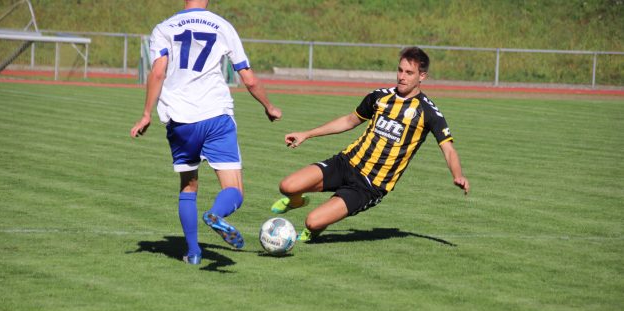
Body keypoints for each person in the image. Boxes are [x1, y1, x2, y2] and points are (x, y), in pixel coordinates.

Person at [131, 0, 282, 265]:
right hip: (216, 114)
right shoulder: (223, 26)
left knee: (188, 185)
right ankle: (216, 214)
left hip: (180, 119)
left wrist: (146, 113)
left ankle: (193, 252)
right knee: (234, 189)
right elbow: (248, 77)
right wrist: (268, 106)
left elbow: (158, 72)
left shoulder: (164, 28)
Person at [271, 46, 469, 242]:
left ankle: (315, 228)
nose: (402, 76)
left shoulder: (428, 112)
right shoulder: (379, 96)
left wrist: (457, 175)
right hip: (346, 163)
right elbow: (350, 120)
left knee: (312, 222)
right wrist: (307, 134)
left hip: (370, 185)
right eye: (400, 70)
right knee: (287, 186)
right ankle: (297, 201)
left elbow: (448, 148)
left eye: (409, 73)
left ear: (422, 76)